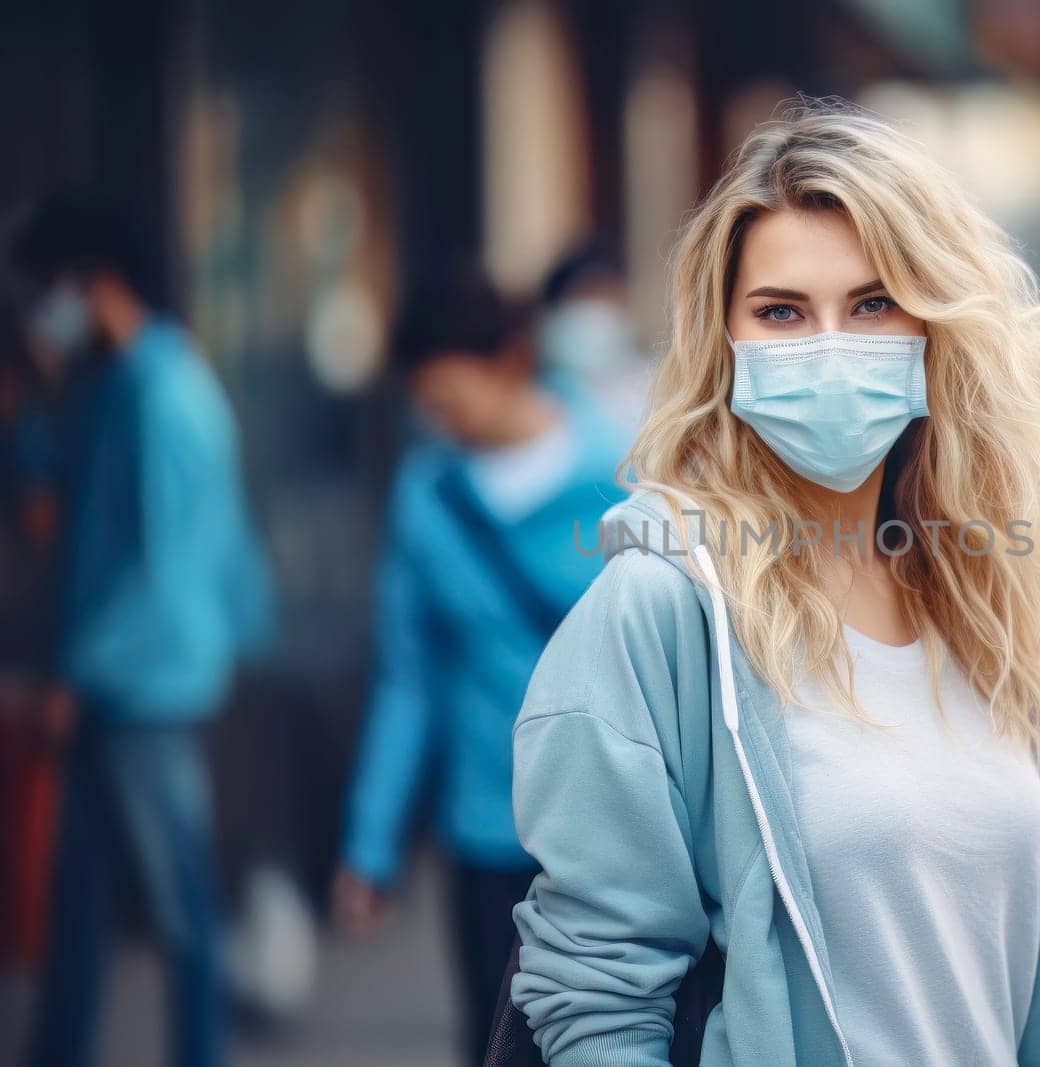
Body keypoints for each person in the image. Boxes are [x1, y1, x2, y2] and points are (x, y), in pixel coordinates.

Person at [503, 102, 1040, 1066]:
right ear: (727, 343)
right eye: (781, 311)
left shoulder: (975, 596)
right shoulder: (660, 608)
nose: (829, 345)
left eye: (872, 304)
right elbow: (596, 990)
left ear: (932, 327)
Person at [332, 266, 625, 1066]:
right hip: (485, 827)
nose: (439, 418)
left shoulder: (623, 469)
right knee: (495, 1046)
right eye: (425, 402)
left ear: (509, 362)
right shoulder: (427, 494)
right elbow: (407, 678)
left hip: (612, 824)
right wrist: (370, 843)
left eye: (449, 397)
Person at [13, 188, 275, 1067]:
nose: (41, 311)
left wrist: (73, 675)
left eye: (49, 285)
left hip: (144, 686)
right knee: (77, 906)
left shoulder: (164, 394)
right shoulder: (111, 386)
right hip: (106, 681)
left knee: (181, 906)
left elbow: (168, 568)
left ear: (90, 280)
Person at [536, 241, 652, 429]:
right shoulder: (538, 398)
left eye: (603, 298)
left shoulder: (660, 388)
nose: (595, 315)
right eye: (582, 298)